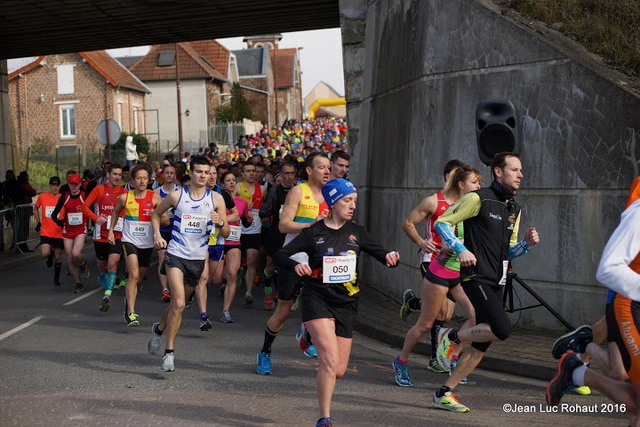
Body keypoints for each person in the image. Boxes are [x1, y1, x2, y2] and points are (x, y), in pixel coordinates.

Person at [274, 178, 399, 427]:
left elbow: (381, 253)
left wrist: (390, 256)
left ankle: (306, 336)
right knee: (328, 361)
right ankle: (325, 418)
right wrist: (297, 264)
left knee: (339, 370)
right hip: (317, 299)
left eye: (354, 201)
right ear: (332, 203)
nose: (352, 206)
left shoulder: (357, 232)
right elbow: (281, 254)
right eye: (347, 201)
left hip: (346, 303)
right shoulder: (313, 233)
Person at [432, 152, 540, 412]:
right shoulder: (477, 199)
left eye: (521, 170)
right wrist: (460, 248)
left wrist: (526, 243)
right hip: (474, 276)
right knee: (502, 328)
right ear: (498, 172)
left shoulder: (515, 208)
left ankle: (444, 393)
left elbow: (509, 251)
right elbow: (442, 223)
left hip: (498, 279)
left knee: (482, 343)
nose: (520, 174)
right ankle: (452, 336)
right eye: (514, 170)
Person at [546, 178, 640, 420]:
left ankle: (576, 371)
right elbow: (609, 268)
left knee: (630, 392)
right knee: (622, 378)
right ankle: (582, 351)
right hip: (630, 302)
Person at [393, 165, 481, 387]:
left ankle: (451, 356)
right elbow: (408, 223)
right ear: (461, 184)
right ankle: (401, 361)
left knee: (475, 316)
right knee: (427, 322)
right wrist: (422, 242)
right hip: (438, 267)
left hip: (460, 271)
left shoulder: (471, 205)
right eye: (475, 182)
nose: (479, 187)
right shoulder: (434, 202)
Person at [147, 156, 229, 372]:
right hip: (176, 254)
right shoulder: (177, 196)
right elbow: (156, 214)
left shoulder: (216, 199)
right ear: (191, 174)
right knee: (180, 303)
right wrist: (157, 235)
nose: (203, 176)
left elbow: (227, 232)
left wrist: (220, 223)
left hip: (197, 259)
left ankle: (158, 329)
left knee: (176, 304)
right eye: (199, 172)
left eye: (207, 172)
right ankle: (169, 353)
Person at [256, 152, 330, 375]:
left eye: (328, 167)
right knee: (284, 311)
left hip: (321, 259)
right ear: (309, 170)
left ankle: (306, 333)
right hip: (296, 257)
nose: (327, 171)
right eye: (321, 167)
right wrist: (310, 226)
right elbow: (283, 225)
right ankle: (265, 352)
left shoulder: (332, 193)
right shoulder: (299, 192)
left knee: (322, 305)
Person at [108, 163, 165, 326]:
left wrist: (161, 221)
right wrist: (112, 230)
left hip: (147, 244)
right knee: (133, 274)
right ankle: (131, 312)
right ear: (132, 181)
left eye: (145, 178)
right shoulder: (125, 197)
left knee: (139, 278)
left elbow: (164, 216)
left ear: (149, 180)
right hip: (129, 241)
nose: (142, 181)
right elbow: (116, 212)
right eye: (138, 178)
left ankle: (129, 299)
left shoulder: (154, 197)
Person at [82, 163, 127, 311]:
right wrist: (95, 218)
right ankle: (101, 273)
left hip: (117, 234)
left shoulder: (124, 193)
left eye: (119, 175)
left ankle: (107, 295)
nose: (117, 177)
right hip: (100, 235)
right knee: (102, 264)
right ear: (108, 175)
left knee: (113, 262)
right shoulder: (99, 189)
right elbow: (84, 207)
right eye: (114, 174)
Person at [258, 161, 298, 310]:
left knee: (292, 267)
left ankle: (290, 295)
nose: (289, 177)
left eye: (292, 173)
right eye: (286, 173)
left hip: (293, 234)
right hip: (276, 232)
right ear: (281, 175)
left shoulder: (300, 191)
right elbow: (263, 210)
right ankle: (268, 290)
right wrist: (273, 211)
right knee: (271, 266)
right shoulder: (275, 190)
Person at [219, 171, 252, 323]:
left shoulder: (242, 202)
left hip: (234, 242)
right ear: (222, 184)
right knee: (216, 278)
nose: (232, 183)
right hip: (218, 241)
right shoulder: (216, 200)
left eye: (234, 180)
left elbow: (245, 221)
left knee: (232, 274)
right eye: (228, 181)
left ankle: (226, 310)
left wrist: (249, 220)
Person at [51, 173, 91, 293]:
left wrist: (93, 224)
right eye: (71, 184)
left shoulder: (85, 196)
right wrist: (58, 222)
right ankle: (78, 283)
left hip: (81, 230)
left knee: (75, 253)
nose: (73, 187)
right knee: (70, 258)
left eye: (76, 184)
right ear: (68, 184)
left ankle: (83, 264)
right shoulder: (64, 197)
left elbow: (92, 211)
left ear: (80, 184)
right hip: (67, 231)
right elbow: (54, 213)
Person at [236, 162, 266, 305]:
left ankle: (248, 291)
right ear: (242, 174)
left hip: (255, 229)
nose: (252, 173)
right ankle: (237, 272)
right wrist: (242, 207)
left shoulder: (262, 189)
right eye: (248, 171)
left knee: (252, 260)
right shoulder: (237, 188)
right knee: (235, 262)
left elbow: (264, 208)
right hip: (239, 228)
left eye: (254, 171)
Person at [154, 163, 180, 303]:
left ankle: (175, 287)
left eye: (172, 173)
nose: (169, 175)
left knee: (175, 260)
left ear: (175, 176)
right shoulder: (157, 192)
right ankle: (165, 289)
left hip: (176, 230)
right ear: (162, 175)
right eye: (167, 173)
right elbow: (154, 213)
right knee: (162, 257)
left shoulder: (179, 191)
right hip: (163, 230)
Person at [33, 176, 64, 286]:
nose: (55, 188)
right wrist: (38, 221)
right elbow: (35, 208)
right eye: (53, 185)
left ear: (60, 186)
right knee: (45, 253)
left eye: (57, 185)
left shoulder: (63, 198)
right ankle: (49, 256)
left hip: (59, 232)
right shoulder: (42, 197)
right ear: (49, 186)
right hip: (46, 231)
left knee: (58, 256)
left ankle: (56, 278)